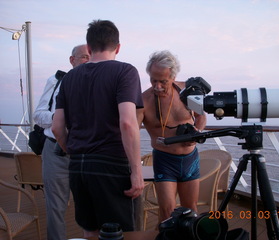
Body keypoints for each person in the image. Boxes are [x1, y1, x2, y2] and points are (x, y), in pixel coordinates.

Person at [52, 20, 144, 238]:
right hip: (111, 165)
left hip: (78, 166)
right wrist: (136, 171)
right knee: (120, 234)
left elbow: (57, 127)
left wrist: (72, 150)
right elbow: (128, 123)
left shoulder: (69, 78)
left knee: (90, 231)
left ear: (89, 47)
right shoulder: (125, 72)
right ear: (118, 47)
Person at [137, 50, 207, 222]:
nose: (157, 86)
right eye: (154, 80)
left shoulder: (186, 91)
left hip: (190, 158)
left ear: (173, 77)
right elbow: (130, 131)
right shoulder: (143, 100)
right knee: (167, 212)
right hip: (164, 160)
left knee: (191, 210)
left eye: (163, 81)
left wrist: (197, 131)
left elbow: (201, 116)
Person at [33, 44, 89, 240]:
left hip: (86, 152)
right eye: (83, 57)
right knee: (55, 207)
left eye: (90, 56)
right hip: (56, 151)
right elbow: (38, 115)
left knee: (90, 206)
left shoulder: (99, 83)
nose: (87, 60)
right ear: (72, 60)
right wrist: (62, 117)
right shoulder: (56, 81)